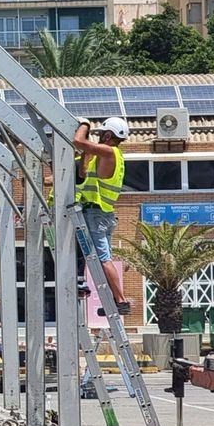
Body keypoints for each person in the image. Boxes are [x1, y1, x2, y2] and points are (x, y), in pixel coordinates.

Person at [73, 116, 131, 316]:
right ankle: (117, 300)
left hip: (96, 213)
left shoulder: (109, 151)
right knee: (104, 258)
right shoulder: (112, 155)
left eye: (100, 135)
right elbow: (84, 170)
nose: (96, 139)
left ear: (108, 135)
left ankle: (121, 301)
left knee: (104, 259)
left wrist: (85, 124)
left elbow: (79, 142)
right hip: (104, 213)